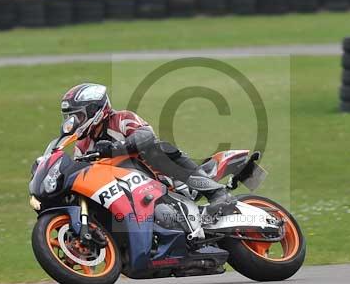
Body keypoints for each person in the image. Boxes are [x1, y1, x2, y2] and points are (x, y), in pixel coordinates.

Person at [59, 82, 236, 217]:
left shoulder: (121, 118)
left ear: (95, 110)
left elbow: (146, 135)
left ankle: (217, 193)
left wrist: (114, 148)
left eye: (78, 116)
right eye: (71, 117)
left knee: (157, 149)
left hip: (157, 178)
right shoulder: (82, 145)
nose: (74, 122)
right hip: (122, 192)